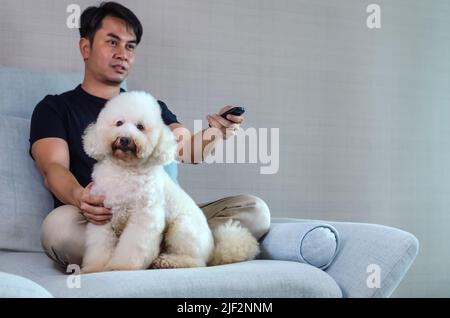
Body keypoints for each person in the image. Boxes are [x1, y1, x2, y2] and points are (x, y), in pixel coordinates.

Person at [30, 1, 270, 267]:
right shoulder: (55, 107)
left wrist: (216, 131)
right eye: (112, 42)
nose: (123, 53)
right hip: (98, 218)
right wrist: (80, 198)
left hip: (162, 214)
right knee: (59, 230)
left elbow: (189, 149)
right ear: (85, 47)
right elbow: (52, 168)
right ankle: (159, 254)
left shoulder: (151, 108)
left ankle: (169, 248)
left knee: (255, 211)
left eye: (130, 46)